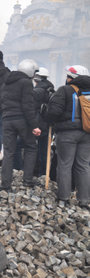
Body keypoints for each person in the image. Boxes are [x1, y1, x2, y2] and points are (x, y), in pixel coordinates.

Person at [46, 65, 90, 208]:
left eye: (68, 76)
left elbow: (54, 112)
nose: (66, 78)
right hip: (87, 133)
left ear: (72, 78)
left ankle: (63, 198)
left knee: (65, 164)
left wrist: (46, 116)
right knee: (83, 166)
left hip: (67, 134)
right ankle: (84, 200)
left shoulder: (64, 90)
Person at [0, 59, 41, 191]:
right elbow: (28, 105)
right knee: (31, 147)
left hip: (7, 119)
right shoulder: (26, 82)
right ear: (30, 71)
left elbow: (2, 101)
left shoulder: (6, 82)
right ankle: (27, 180)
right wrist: (34, 125)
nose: (34, 75)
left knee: (8, 152)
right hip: (21, 120)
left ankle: (5, 185)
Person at [33, 67, 55, 176]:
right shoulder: (52, 90)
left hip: (36, 126)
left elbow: (31, 109)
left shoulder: (36, 91)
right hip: (47, 125)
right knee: (44, 151)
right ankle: (43, 174)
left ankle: (29, 172)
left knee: (28, 147)